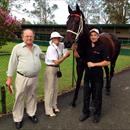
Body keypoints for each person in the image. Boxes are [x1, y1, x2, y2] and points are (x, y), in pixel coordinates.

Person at [6, 29, 44, 129]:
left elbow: (43, 56)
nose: (29, 38)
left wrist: (54, 57)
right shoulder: (17, 48)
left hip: (34, 78)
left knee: (32, 96)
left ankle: (31, 114)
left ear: (33, 37)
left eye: (31, 36)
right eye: (27, 36)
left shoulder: (37, 47)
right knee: (19, 98)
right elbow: (12, 63)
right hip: (22, 78)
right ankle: (18, 119)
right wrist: (9, 78)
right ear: (22, 37)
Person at [79, 28, 110, 123]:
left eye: (95, 35)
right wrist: (75, 48)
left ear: (98, 36)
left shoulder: (103, 47)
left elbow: (107, 62)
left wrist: (94, 64)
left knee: (97, 96)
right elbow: (79, 56)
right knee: (86, 95)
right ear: (90, 36)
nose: (93, 37)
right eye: (91, 35)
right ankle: (86, 112)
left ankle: (97, 114)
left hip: (98, 76)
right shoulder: (87, 46)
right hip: (88, 76)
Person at [44, 31, 70, 117]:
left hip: (56, 68)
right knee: (49, 90)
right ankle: (48, 109)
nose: (57, 39)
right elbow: (56, 62)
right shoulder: (51, 48)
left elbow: (67, 46)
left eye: (58, 38)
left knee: (55, 89)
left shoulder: (60, 45)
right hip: (51, 68)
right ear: (52, 39)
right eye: (55, 38)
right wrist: (65, 56)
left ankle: (54, 105)